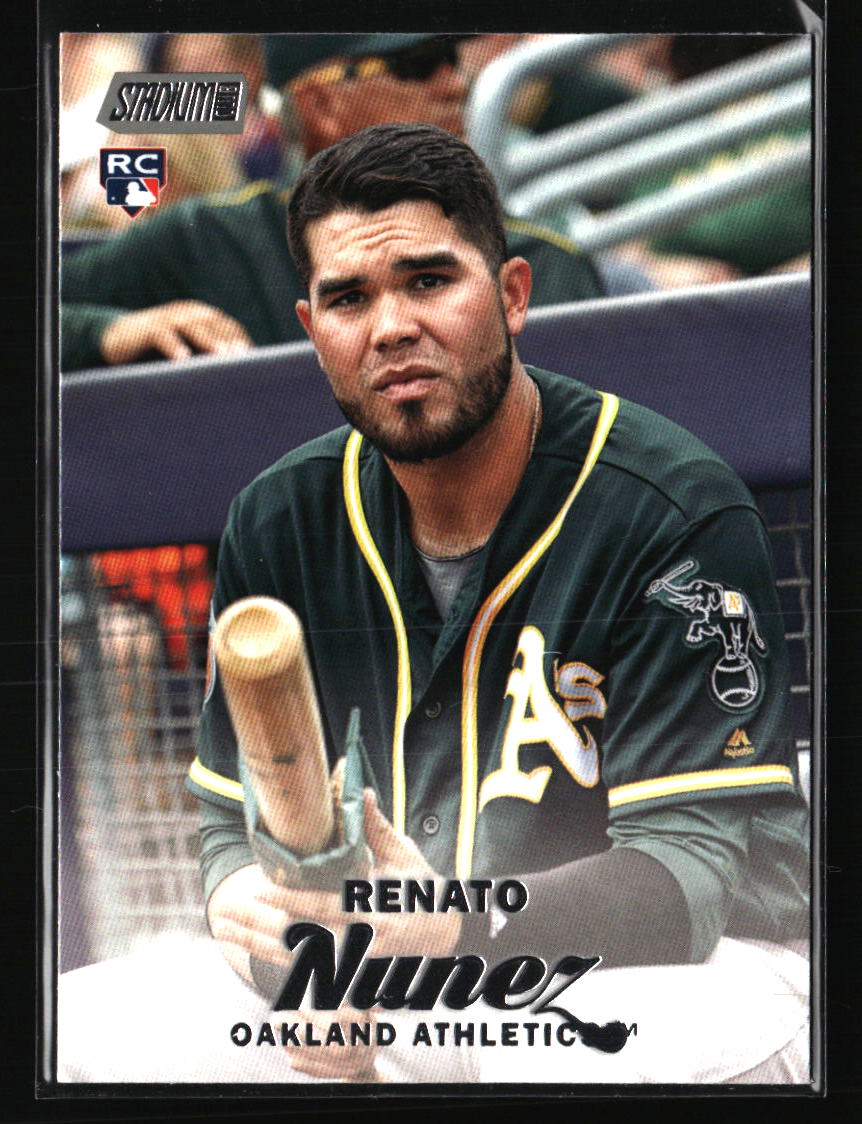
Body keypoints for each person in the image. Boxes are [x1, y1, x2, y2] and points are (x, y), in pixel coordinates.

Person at [57, 124, 809, 1087]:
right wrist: (269, 937)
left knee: (556, 1064)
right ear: (313, 330)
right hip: (414, 970)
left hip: (698, 971)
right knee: (77, 1030)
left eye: (428, 281)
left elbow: (689, 878)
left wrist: (450, 924)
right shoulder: (281, 518)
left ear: (513, 295)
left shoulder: (670, 506)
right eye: (349, 298)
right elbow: (228, 826)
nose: (391, 327)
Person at [60, 33, 604, 372]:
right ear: (320, 104)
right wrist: (106, 333)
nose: (455, 84)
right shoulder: (210, 238)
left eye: (452, 58)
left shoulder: (535, 264)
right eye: (417, 63)